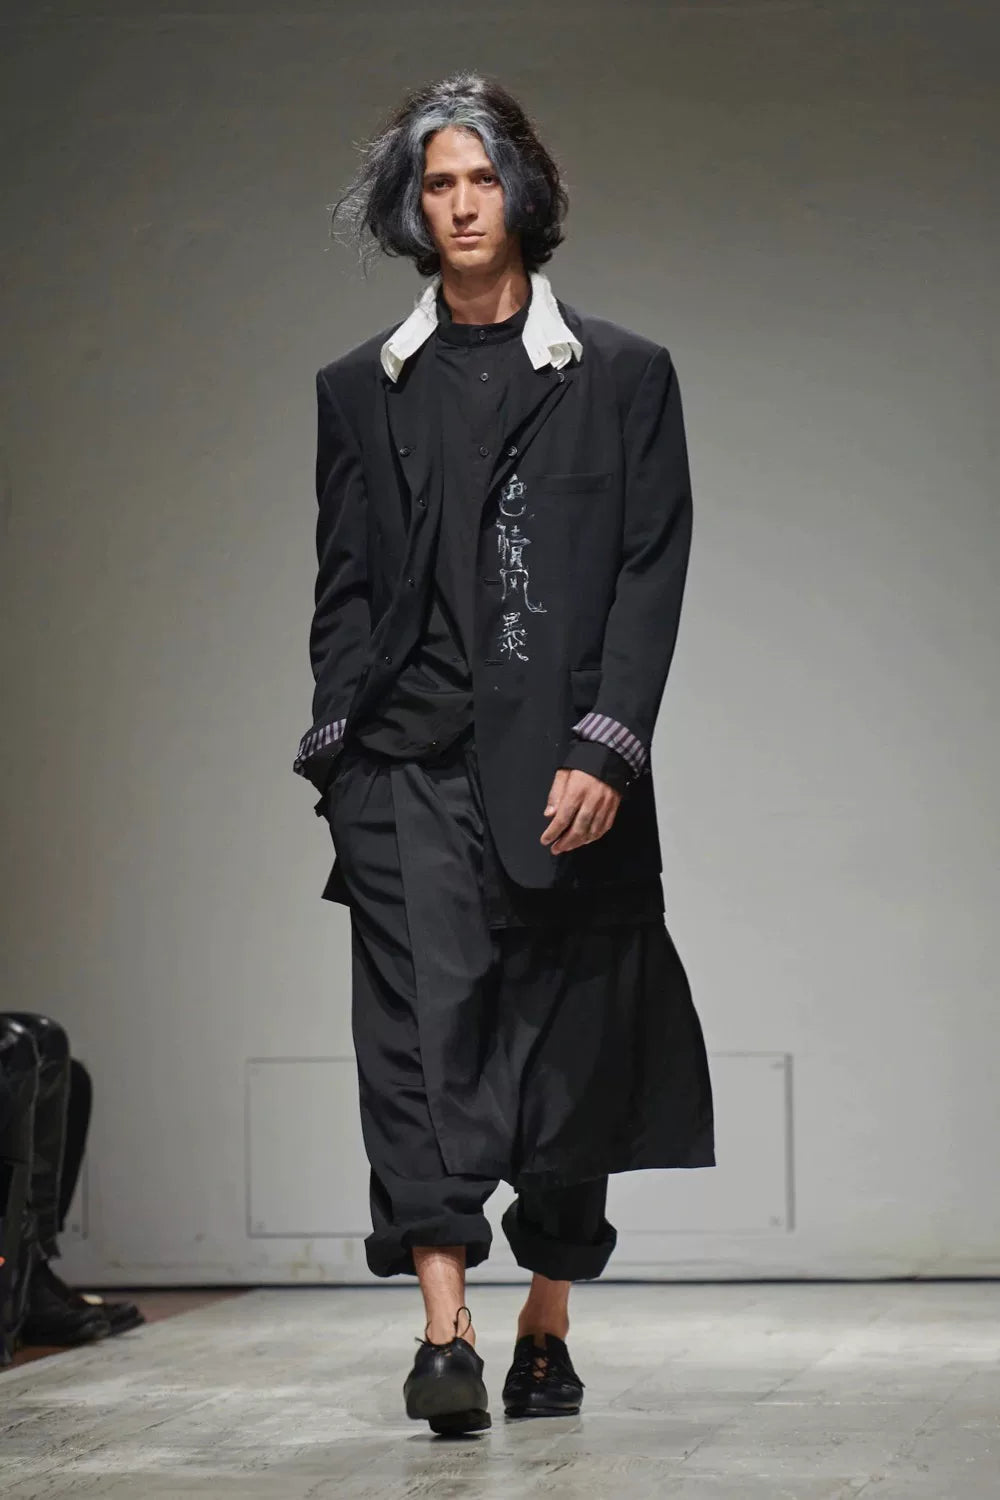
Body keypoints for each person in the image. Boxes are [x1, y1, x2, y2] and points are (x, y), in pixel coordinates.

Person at [294, 71, 715, 1433]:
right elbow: (345, 585)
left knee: (565, 1056)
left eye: (482, 178)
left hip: (566, 776)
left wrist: (611, 745)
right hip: (404, 769)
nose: (463, 204)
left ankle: (545, 1320)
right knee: (414, 1048)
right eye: (438, 184)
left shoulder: (623, 375)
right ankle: (444, 1334)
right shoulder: (361, 390)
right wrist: (340, 750)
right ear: (409, 208)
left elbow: (649, 572)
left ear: (524, 191)